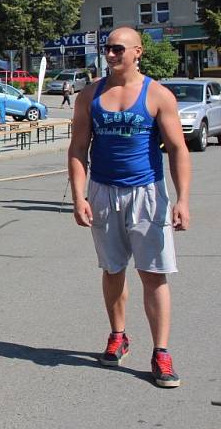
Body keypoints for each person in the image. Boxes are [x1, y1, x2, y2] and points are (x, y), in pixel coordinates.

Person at [68, 26, 190, 388]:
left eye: (118, 49)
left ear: (138, 52)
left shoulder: (157, 95)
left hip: (146, 194)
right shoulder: (90, 95)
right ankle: (118, 335)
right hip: (104, 192)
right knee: (112, 269)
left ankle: (162, 352)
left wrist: (182, 199)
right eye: (107, 48)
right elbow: (77, 149)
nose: (110, 55)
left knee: (153, 274)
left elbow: (178, 149)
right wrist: (79, 196)